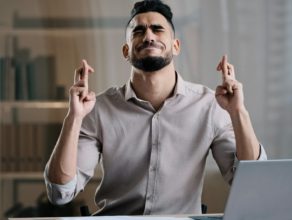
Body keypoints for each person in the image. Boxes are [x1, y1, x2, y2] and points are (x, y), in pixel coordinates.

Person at [44, 0, 267, 216]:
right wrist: (74, 117)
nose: (148, 36)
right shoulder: (99, 109)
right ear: (126, 51)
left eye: (157, 29)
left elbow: (252, 183)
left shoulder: (209, 105)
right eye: (138, 31)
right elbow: (60, 193)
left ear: (176, 46)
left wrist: (238, 112)